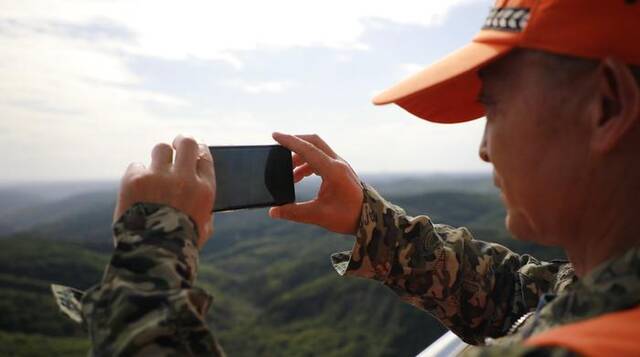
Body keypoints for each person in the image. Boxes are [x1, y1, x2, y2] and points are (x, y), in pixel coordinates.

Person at [52, 0, 640, 355]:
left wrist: (150, 251)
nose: (484, 148)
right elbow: (522, 294)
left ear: (607, 107)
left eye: (495, 108)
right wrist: (370, 225)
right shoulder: (603, 295)